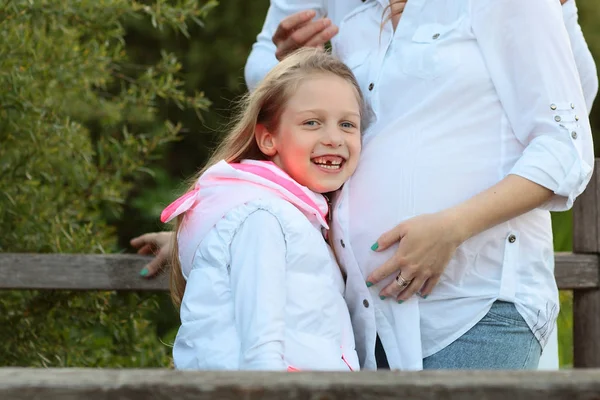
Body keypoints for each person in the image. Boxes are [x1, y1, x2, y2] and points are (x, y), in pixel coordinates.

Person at [132, 0, 598, 370]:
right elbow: (313, 149)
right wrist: (220, 234)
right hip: (367, 323)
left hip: (476, 307)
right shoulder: (349, 15)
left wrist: (451, 228)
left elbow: (565, 146)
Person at [163, 49, 368, 371]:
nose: (333, 138)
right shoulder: (263, 216)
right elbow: (260, 338)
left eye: (347, 124)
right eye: (311, 122)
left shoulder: (294, 215)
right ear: (268, 139)